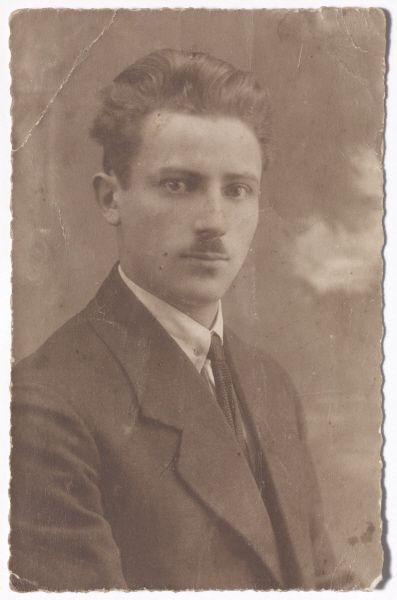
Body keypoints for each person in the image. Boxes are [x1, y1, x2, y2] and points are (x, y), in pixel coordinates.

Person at [10, 49, 348, 591]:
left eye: (237, 190)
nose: (215, 222)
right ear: (111, 197)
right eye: (179, 185)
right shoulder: (46, 407)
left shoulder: (269, 383)